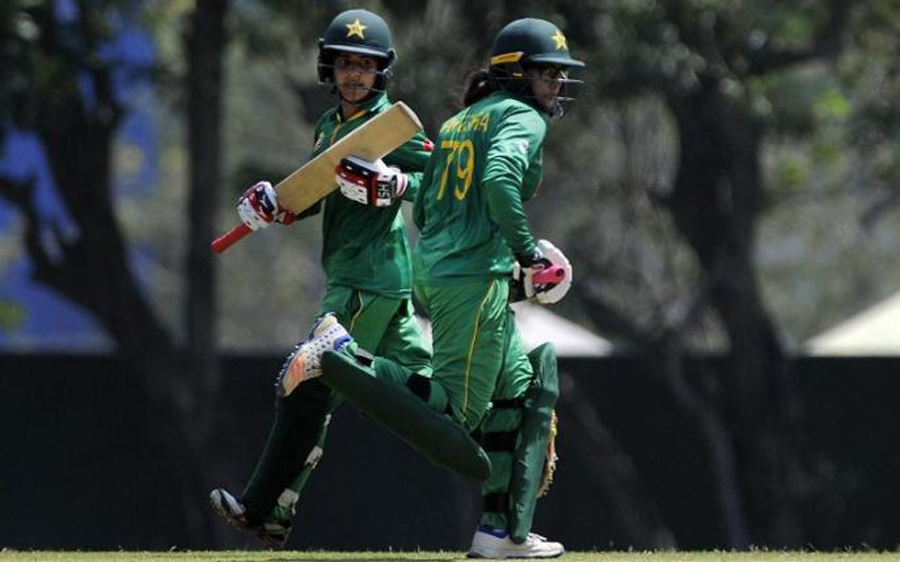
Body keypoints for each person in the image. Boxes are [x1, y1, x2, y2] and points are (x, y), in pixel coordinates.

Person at [280, 17, 584, 559]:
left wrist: (400, 189)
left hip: (450, 268)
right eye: (547, 75)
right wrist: (527, 252)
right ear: (517, 74)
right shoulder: (521, 117)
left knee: (520, 390)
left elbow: (439, 201)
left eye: (560, 76)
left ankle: (500, 534)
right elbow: (497, 179)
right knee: (457, 413)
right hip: (471, 276)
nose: (556, 86)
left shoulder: (465, 118)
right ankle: (344, 353)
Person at [209, 8, 433, 547]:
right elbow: (315, 190)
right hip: (371, 281)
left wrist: (396, 184)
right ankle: (510, 434)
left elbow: (443, 185)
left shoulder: (391, 129)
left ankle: (264, 505)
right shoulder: (330, 125)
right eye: (344, 64)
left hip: (365, 281)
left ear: (382, 72)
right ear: (327, 70)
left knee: (306, 384)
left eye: (365, 65)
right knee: (432, 393)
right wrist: (274, 206)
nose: (354, 74)